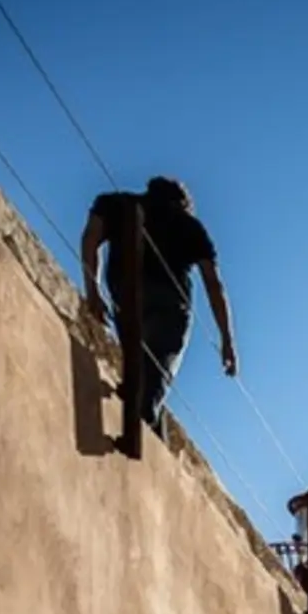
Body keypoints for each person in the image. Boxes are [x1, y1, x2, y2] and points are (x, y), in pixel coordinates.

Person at [80, 177, 238, 436]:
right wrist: (227, 340)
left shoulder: (115, 203)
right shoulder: (190, 225)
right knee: (156, 369)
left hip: (124, 292)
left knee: (141, 365)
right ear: (183, 203)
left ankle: (144, 414)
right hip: (168, 303)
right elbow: (213, 284)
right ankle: (143, 417)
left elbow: (90, 238)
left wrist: (93, 291)